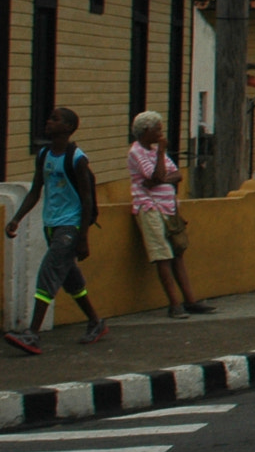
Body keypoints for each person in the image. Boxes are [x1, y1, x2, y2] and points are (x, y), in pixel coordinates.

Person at [3, 107, 108, 353]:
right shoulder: (44, 155)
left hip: (70, 226)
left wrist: (83, 237)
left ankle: (32, 333)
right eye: (49, 117)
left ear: (69, 128)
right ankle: (95, 322)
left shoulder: (77, 158)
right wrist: (17, 218)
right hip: (51, 224)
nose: (48, 122)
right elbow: (35, 190)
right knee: (71, 279)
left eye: (55, 119)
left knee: (48, 272)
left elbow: (86, 199)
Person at [128, 110, 213, 319]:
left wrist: (160, 179)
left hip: (169, 207)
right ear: (146, 131)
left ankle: (190, 300)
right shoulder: (137, 152)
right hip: (150, 207)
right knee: (163, 256)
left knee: (177, 252)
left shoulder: (157, 152)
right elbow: (154, 174)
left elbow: (176, 174)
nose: (160, 133)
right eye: (157, 129)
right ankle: (174, 304)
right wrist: (160, 159)